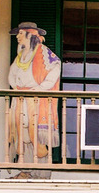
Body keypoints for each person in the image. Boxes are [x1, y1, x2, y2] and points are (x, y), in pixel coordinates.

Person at [7, 22, 62, 177]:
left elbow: (56, 67)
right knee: (23, 136)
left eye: (20, 33)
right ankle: (26, 171)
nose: (17, 37)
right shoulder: (20, 56)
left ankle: (41, 174)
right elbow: (12, 75)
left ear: (29, 35)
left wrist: (42, 87)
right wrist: (16, 87)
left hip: (36, 100)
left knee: (37, 137)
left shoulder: (44, 52)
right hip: (21, 99)